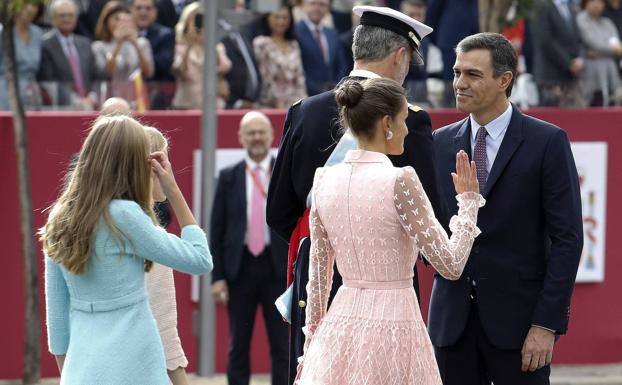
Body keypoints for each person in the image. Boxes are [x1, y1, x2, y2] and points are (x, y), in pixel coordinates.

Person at [267, 6, 441, 384]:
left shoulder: (303, 112)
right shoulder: (410, 119)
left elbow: (279, 212)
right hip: (389, 308)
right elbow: (433, 229)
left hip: (317, 294)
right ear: (399, 56)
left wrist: (326, 253)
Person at [294, 76, 483, 385]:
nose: (407, 130)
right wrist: (469, 203)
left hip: (339, 327)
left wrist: (312, 348)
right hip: (394, 324)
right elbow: (451, 265)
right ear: (386, 123)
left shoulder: (323, 180)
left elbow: (318, 280)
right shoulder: (400, 180)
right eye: (404, 121)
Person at [430, 32, 583, 385]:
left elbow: (568, 239)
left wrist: (546, 325)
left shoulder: (547, 141)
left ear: (504, 80)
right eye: (456, 73)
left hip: (520, 328)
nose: (459, 83)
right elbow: (434, 231)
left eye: (472, 74)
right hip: (450, 326)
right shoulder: (439, 143)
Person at [41, 114, 213, 384]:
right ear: (134, 162)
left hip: (81, 369)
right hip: (137, 366)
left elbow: (57, 325)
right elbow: (200, 260)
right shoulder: (125, 215)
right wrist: (172, 188)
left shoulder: (59, 217)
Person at [210, 111, 289, 385]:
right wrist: (217, 277)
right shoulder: (228, 176)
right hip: (239, 270)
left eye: (261, 132)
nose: (256, 138)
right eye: (251, 133)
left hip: (277, 270)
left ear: (270, 136)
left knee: (282, 346)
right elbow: (216, 230)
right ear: (241, 137)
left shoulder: (284, 172)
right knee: (238, 345)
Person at [144, 125, 190, 385]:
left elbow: (59, 333)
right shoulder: (151, 239)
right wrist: (172, 189)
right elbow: (166, 336)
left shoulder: (74, 229)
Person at [38, 0, 98, 110]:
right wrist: (76, 101)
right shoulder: (46, 44)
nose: (66, 19)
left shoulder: (85, 43)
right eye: (62, 15)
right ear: (53, 19)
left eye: (70, 15)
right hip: (62, 108)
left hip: (89, 106)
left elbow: (94, 75)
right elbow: (49, 81)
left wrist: (92, 96)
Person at [171, 2, 232, 109]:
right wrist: (189, 44)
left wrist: (210, 43)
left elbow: (225, 67)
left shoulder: (217, 47)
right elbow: (180, 71)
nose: (198, 27)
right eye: (194, 22)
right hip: (187, 104)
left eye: (201, 22)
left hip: (213, 105)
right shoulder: (181, 48)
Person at [92, 1, 154, 101]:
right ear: (106, 21)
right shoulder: (98, 46)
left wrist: (135, 44)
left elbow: (148, 72)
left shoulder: (142, 43)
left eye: (126, 20)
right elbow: (105, 73)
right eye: (116, 19)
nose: (121, 24)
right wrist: (117, 43)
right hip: (109, 98)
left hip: (136, 98)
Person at [531, 0, 586, 107]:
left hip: (570, 78)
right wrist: (568, 63)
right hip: (550, 76)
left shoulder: (571, 7)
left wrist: (580, 58)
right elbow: (544, 40)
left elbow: (578, 38)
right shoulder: (541, 5)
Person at [425, 0, 479, 107]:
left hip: (474, 42)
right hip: (450, 42)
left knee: (470, 78)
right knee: (451, 81)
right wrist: (438, 39)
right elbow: (432, 14)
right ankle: (450, 112)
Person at [253, 5, 307, 109]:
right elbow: (266, 79)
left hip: (295, 104)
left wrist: (302, 102)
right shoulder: (261, 43)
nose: (281, 22)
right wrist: (278, 104)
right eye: (277, 17)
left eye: (285, 18)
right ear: (268, 18)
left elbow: (300, 77)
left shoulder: (293, 44)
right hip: (270, 105)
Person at [295, 0, 347, 96]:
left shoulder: (332, 33)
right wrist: (318, 91)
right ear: (303, 6)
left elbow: (341, 66)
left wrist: (336, 88)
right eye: (313, 3)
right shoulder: (295, 32)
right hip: (306, 96)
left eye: (322, 4)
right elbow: (299, 68)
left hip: (334, 94)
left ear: (328, 8)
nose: (317, 8)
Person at [0, 1, 44, 110]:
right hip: (6, 93)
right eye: (25, 4)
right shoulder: (3, 32)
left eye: (34, 5)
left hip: (32, 94)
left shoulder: (38, 33)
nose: (30, 9)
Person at [131, 0, 176, 108]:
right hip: (128, 92)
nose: (143, 12)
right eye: (138, 8)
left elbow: (164, 63)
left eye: (148, 8)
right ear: (131, 10)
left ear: (155, 11)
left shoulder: (165, 35)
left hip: (156, 95)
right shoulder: (122, 33)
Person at [576, 0, 622, 106]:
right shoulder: (581, 19)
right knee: (593, 103)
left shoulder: (607, 22)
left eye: (600, 2)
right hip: (590, 73)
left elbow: (616, 44)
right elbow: (594, 42)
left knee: (613, 101)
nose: (597, 5)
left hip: (610, 71)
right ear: (586, 3)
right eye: (593, 1)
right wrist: (613, 50)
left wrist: (599, 53)